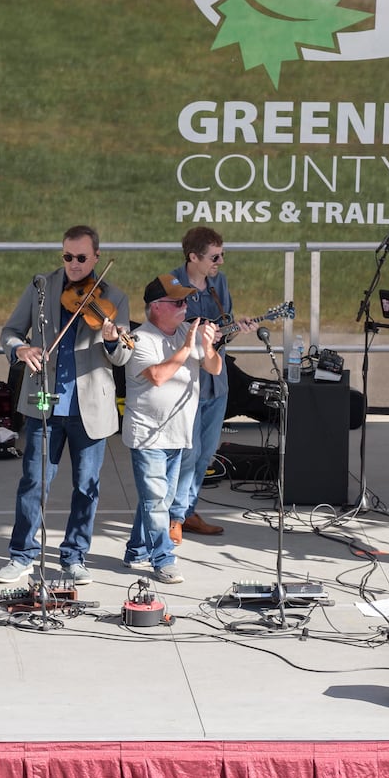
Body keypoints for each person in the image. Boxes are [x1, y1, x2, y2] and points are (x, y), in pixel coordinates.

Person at [0, 224, 132, 586]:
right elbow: (9, 332)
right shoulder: (42, 287)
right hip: (44, 403)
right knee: (33, 483)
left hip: (90, 409)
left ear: (96, 258)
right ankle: (22, 554)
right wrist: (21, 350)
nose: (73, 264)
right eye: (68, 257)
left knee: (87, 486)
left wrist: (111, 340)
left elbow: (121, 359)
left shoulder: (114, 299)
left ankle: (75, 556)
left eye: (81, 258)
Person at [122, 274, 222, 584]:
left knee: (158, 499)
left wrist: (207, 348)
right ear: (155, 307)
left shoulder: (183, 331)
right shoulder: (141, 340)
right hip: (148, 434)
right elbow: (159, 376)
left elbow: (214, 368)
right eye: (177, 301)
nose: (186, 306)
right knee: (156, 500)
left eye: (186, 300)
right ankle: (162, 558)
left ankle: (136, 551)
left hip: (178, 433)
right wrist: (187, 346)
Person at [167, 226, 254, 543]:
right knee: (186, 454)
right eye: (215, 257)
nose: (220, 261)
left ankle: (187, 512)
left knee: (205, 455)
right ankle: (173, 516)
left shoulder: (219, 283)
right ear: (194, 257)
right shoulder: (171, 284)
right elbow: (165, 331)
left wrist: (234, 329)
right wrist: (199, 333)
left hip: (216, 381)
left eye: (222, 255)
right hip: (184, 383)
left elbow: (224, 329)